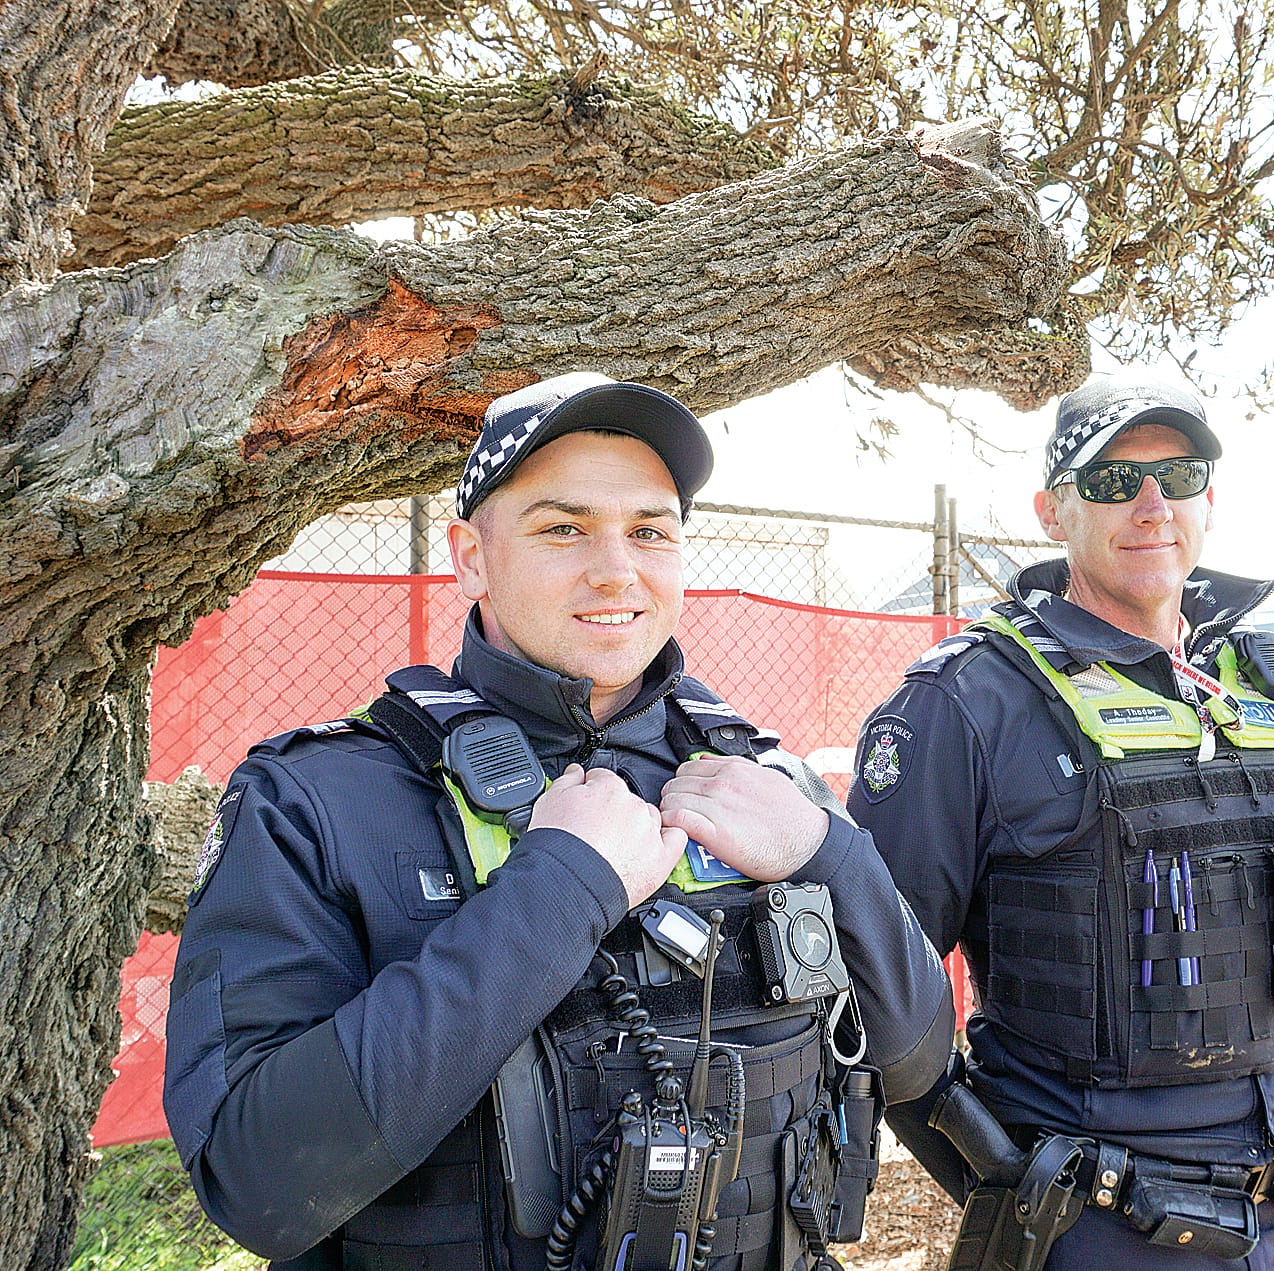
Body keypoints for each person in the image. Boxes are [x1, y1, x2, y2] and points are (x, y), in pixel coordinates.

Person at [163, 373, 954, 1270]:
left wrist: (832, 856)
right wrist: (559, 889)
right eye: (563, 527)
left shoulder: (759, 776)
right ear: (470, 557)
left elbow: (920, 1063)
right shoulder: (317, 800)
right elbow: (256, 1182)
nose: (617, 568)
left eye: (650, 530)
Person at [849, 377, 1274, 1269]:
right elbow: (872, 988)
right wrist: (996, 1172)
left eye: (1179, 474)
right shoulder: (966, 701)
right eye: (1112, 480)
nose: (1152, 505)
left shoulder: (1261, 681)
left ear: (1212, 498)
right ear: (1053, 512)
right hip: (1092, 1222)